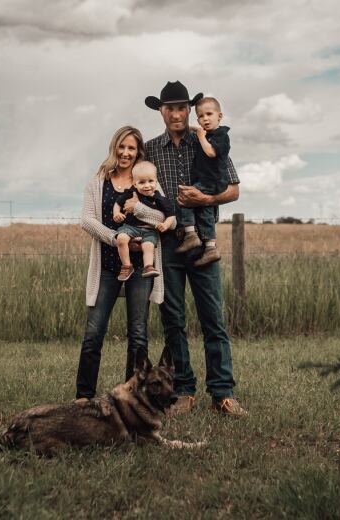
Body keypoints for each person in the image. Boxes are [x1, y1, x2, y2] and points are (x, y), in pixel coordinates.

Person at [140, 80, 247, 416]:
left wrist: (207, 198)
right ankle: (184, 391)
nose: (176, 114)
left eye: (181, 107)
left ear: (189, 109)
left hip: (203, 242)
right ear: (161, 111)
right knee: (173, 320)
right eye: (169, 108)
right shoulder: (151, 149)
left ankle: (223, 393)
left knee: (213, 318)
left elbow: (234, 189)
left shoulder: (208, 137)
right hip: (167, 244)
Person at [76, 126, 175, 401]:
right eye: (122, 146)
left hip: (142, 270)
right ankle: (84, 397)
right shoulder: (99, 181)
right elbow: (87, 219)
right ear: (114, 147)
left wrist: (137, 208)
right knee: (93, 334)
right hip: (108, 267)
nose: (125, 153)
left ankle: (130, 397)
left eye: (131, 148)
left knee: (138, 335)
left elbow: (167, 217)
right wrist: (114, 238)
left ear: (138, 152)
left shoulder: (146, 179)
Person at [175, 96, 231, 267]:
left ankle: (191, 235)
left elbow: (211, 153)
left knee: (185, 197)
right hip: (209, 181)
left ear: (219, 116)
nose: (205, 119)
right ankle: (210, 248)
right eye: (200, 116)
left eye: (209, 114)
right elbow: (198, 130)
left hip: (212, 181)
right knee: (205, 212)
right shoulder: (207, 132)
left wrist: (200, 135)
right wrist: (187, 128)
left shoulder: (221, 135)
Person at [113, 161, 177, 281]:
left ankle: (148, 267)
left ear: (156, 181)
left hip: (149, 231)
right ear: (134, 183)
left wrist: (165, 224)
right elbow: (118, 203)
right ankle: (127, 266)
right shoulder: (131, 193)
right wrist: (116, 213)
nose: (147, 185)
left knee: (148, 246)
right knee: (121, 239)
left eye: (151, 181)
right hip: (130, 227)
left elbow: (171, 215)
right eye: (142, 182)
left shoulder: (159, 199)